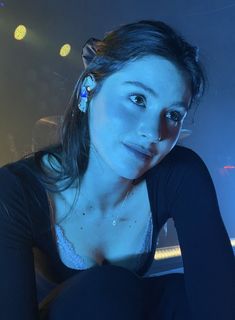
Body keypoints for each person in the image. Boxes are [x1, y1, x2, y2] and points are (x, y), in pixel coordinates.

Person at [0, 20, 234, 320]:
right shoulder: (13, 192)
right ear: (88, 90)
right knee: (106, 289)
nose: (153, 132)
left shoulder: (181, 173)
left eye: (173, 114)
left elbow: (219, 304)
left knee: (181, 292)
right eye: (137, 99)